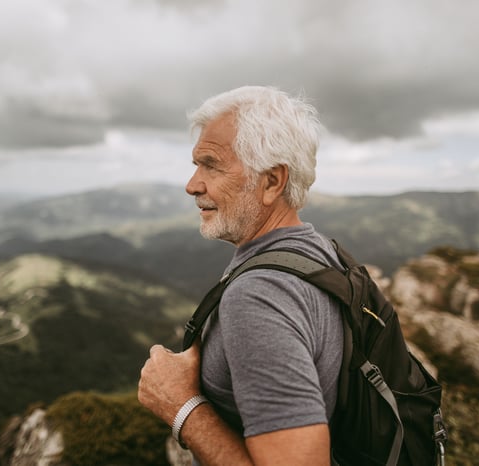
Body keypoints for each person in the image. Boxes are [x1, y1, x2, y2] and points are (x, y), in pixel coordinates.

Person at [138, 86, 343, 466]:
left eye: (211, 164)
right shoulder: (319, 251)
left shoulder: (259, 296)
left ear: (271, 182)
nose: (192, 184)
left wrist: (182, 408)